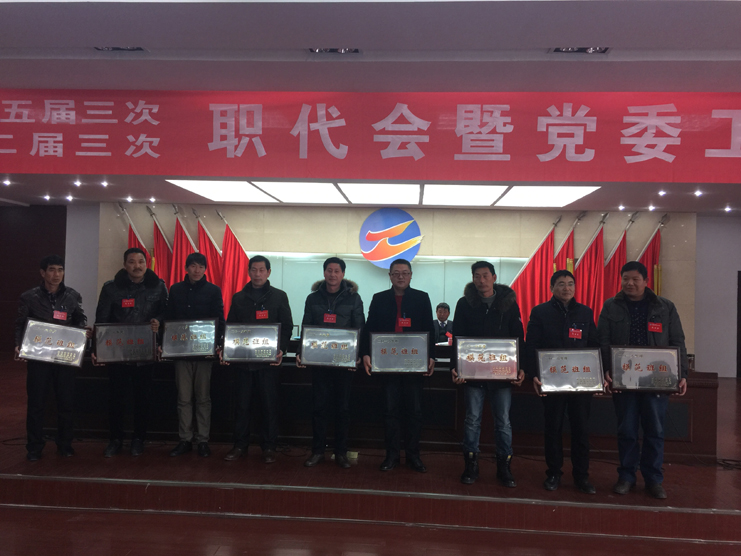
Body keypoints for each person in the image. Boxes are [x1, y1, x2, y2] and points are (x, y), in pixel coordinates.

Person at [597, 261, 688, 500]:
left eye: (635, 279)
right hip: (624, 379)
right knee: (626, 430)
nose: (630, 283)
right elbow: (603, 340)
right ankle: (626, 476)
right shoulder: (610, 306)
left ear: (646, 281)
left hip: (656, 379)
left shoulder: (665, 307)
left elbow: (677, 341)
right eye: (625, 279)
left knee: (655, 430)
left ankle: (653, 479)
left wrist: (682, 374)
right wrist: (606, 369)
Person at [451, 261, 525, 487]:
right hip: (472, 373)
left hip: (502, 374)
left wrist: (521, 368)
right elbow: (457, 337)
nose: (481, 280)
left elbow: (518, 337)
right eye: (477, 276)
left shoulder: (509, 303)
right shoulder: (464, 304)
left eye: (485, 275)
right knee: (472, 420)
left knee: (503, 422)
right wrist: (456, 367)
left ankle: (504, 466)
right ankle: (471, 465)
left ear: (494, 277)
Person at [525, 270, 599, 494]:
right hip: (552, 381)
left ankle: (581, 476)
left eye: (570, 284)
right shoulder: (540, 312)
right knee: (553, 428)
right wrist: (534, 374)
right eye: (561, 284)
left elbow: (594, 345)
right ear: (551, 288)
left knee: (581, 430)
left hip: (580, 381)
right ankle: (554, 473)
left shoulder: (585, 312)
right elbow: (531, 345)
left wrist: (597, 377)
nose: (566, 288)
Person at [360, 258, 436, 473]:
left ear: (411, 275)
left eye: (405, 273)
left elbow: (429, 330)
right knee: (390, 411)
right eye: (396, 273)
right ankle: (391, 456)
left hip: (414, 363)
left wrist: (431, 356)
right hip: (387, 364)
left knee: (414, 411)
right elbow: (369, 328)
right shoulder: (379, 299)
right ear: (390, 276)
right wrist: (365, 353)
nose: (400, 276)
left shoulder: (421, 298)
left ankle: (413, 456)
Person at [15, 255, 90, 461]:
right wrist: (18, 344)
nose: (56, 274)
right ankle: (34, 447)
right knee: (36, 403)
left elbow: (80, 319)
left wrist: (82, 332)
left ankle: (65, 444)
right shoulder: (29, 297)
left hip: (64, 357)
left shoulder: (72, 296)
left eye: (60, 270)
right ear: (42, 273)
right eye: (51, 270)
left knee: (66, 402)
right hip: (38, 357)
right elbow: (20, 323)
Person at [95, 247, 167, 457]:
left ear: (147, 263)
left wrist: (159, 321)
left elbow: (166, 313)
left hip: (145, 354)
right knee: (116, 399)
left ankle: (138, 439)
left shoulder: (158, 286)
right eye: (132, 262)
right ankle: (115, 439)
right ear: (125, 265)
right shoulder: (111, 288)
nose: (137, 266)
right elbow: (102, 319)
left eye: (141, 261)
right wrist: (96, 348)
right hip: (117, 354)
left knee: (142, 399)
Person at [223, 255, 293, 464]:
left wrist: (281, 349)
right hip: (243, 364)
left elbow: (287, 326)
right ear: (248, 272)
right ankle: (240, 445)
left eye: (262, 270)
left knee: (269, 406)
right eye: (254, 269)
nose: (258, 274)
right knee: (241, 406)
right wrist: (226, 350)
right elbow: (231, 327)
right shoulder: (238, 297)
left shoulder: (279, 297)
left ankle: (269, 447)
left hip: (268, 363)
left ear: (268, 272)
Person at [298, 257, 365, 469]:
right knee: (319, 407)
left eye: (337, 271)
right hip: (319, 362)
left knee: (342, 408)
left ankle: (341, 452)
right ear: (324, 272)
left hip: (344, 362)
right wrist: (301, 352)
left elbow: (360, 327)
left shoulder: (354, 298)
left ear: (343, 274)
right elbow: (306, 326)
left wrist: (358, 353)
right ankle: (317, 451)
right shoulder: (313, 298)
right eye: (329, 270)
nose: (332, 274)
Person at [165, 253, 224, 458]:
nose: (197, 270)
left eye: (200, 266)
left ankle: (203, 440)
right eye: (193, 266)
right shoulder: (176, 289)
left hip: (204, 354)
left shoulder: (213, 290)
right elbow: (169, 318)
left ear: (205, 269)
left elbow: (219, 319)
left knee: (203, 398)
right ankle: (185, 439)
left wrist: (218, 345)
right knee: (183, 398)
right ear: (186, 268)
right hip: (181, 352)